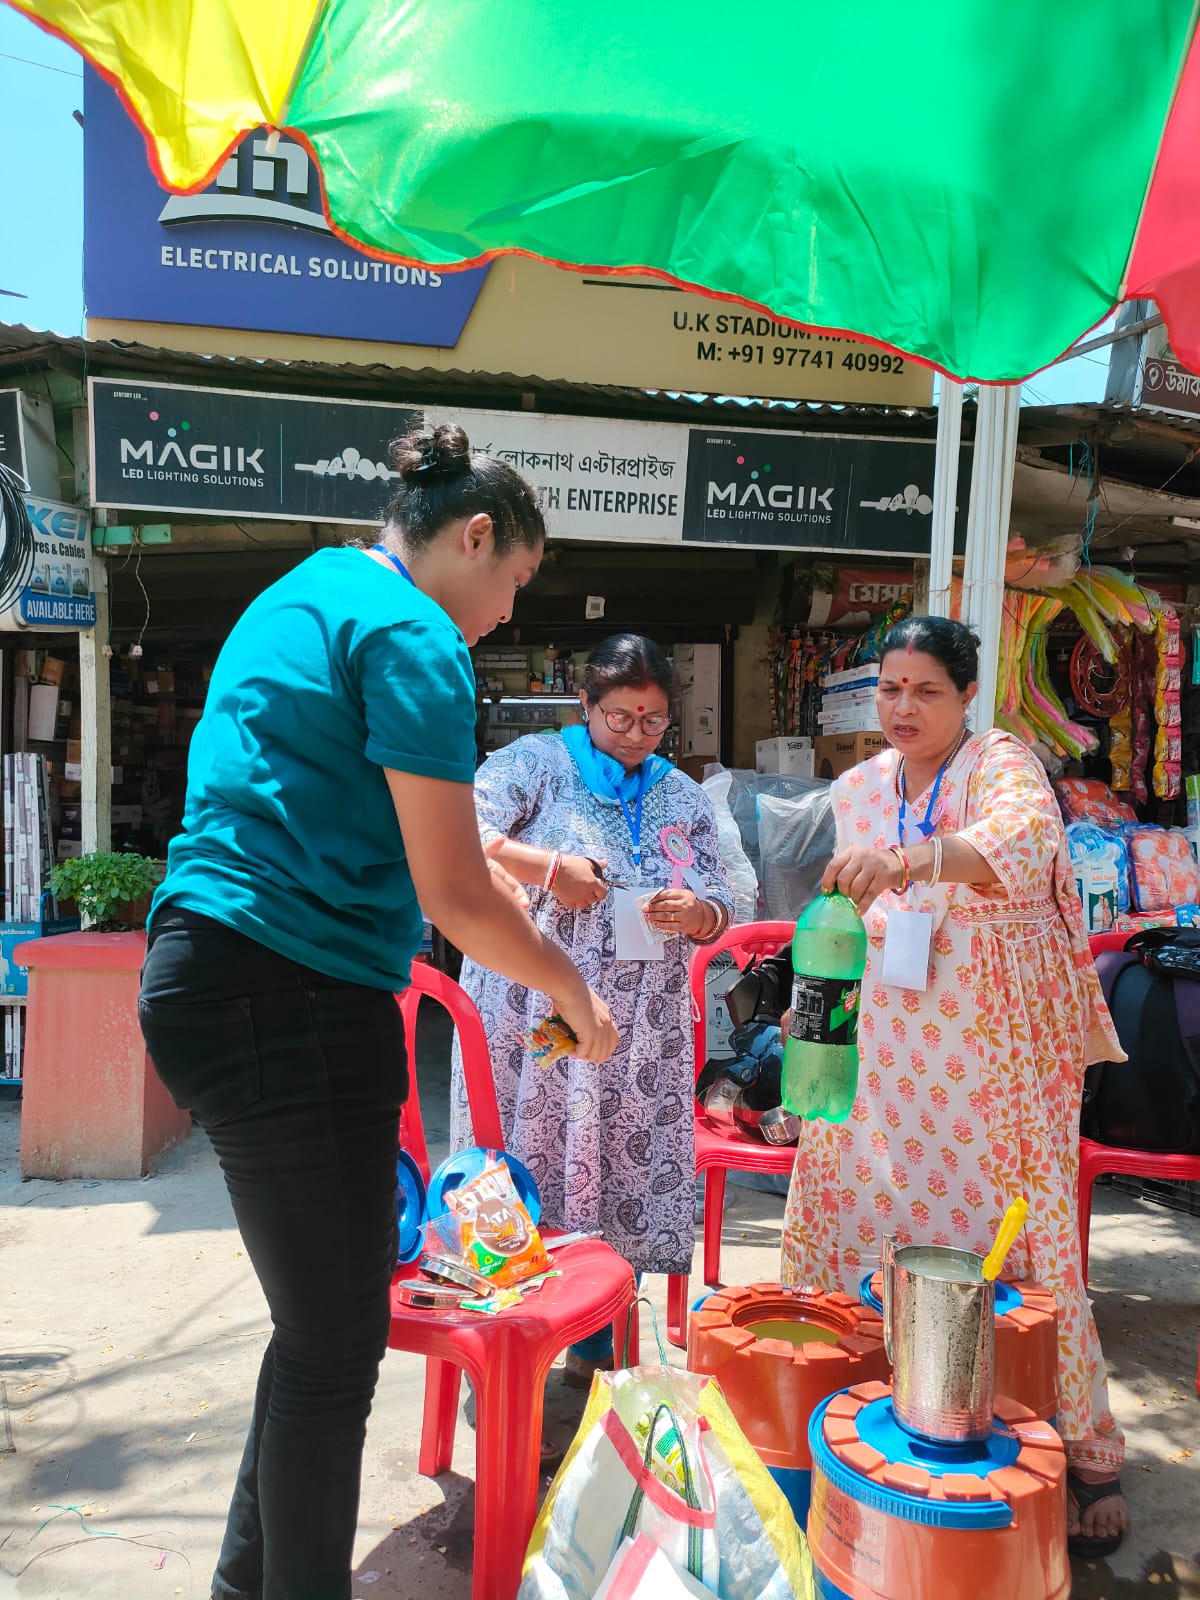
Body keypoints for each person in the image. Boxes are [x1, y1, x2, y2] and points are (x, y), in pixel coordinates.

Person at [138, 423, 618, 1600]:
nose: (505, 613)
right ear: (475, 537)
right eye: (516, 581)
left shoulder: (311, 590)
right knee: (334, 1351)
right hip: (287, 993)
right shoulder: (416, 635)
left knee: (320, 1330)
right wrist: (571, 988)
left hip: (216, 973)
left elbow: (417, 842)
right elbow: (455, 896)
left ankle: (245, 1585)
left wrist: (509, 894)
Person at [780, 615, 1129, 1559]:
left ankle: (1078, 1445)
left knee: (1017, 1235)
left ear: (967, 695)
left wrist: (910, 859)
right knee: (867, 1207)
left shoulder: (1000, 764)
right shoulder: (860, 787)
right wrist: (811, 1038)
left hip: (991, 1055)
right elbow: (837, 923)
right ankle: (859, 1408)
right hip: (886, 1054)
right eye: (890, 689)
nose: (903, 707)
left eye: (926, 690)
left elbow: (1016, 843)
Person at [450, 633, 734, 1384]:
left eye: (653, 721)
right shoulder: (534, 765)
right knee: (522, 1161)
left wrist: (699, 912)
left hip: (642, 1030)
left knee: (618, 1167)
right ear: (586, 704)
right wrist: (550, 868)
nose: (637, 734)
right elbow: (458, 829)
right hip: (531, 1015)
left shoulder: (682, 794)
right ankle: (504, 1343)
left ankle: (597, 1341)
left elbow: (725, 897)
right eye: (620, 717)